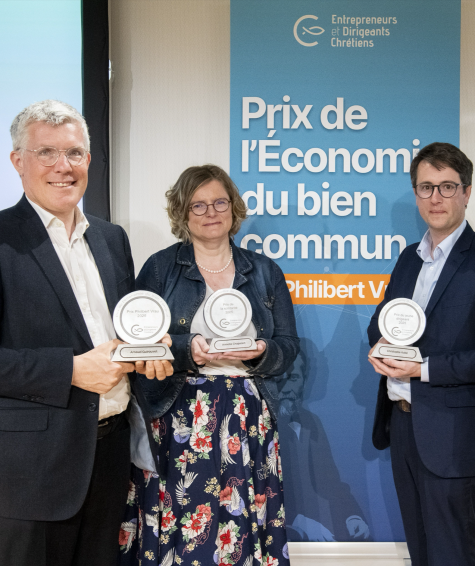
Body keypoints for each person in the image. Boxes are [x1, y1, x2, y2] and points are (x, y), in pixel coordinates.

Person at [0, 100, 170, 566]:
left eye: (75, 153)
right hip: (30, 471)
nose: (64, 166)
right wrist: (72, 370)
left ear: (89, 160)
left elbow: (119, 332)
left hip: (109, 457)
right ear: (18, 161)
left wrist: (147, 349)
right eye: (46, 152)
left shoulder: (111, 238)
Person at [118, 164, 298, 566]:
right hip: (180, 412)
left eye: (219, 202)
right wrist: (187, 350)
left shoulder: (265, 271)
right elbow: (136, 345)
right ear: (182, 212)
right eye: (197, 205)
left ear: (233, 207)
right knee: (185, 522)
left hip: (247, 415)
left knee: (241, 519)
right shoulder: (160, 268)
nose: (210, 212)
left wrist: (261, 351)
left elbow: (288, 347)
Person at [366, 142, 475, 566]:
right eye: (426, 187)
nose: (435, 198)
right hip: (403, 426)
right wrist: (378, 346)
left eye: (447, 187)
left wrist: (424, 369)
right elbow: (381, 323)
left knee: (453, 554)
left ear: (467, 192)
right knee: (421, 553)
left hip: (454, 436)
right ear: (416, 194)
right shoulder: (408, 259)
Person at [278, 345, 371, 543]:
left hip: (323, 531)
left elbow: (331, 482)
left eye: (293, 378)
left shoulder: (311, 422)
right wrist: (297, 521)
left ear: (304, 381)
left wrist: (352, 516)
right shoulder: (257, 424)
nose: (285, 387)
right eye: (278, 379)